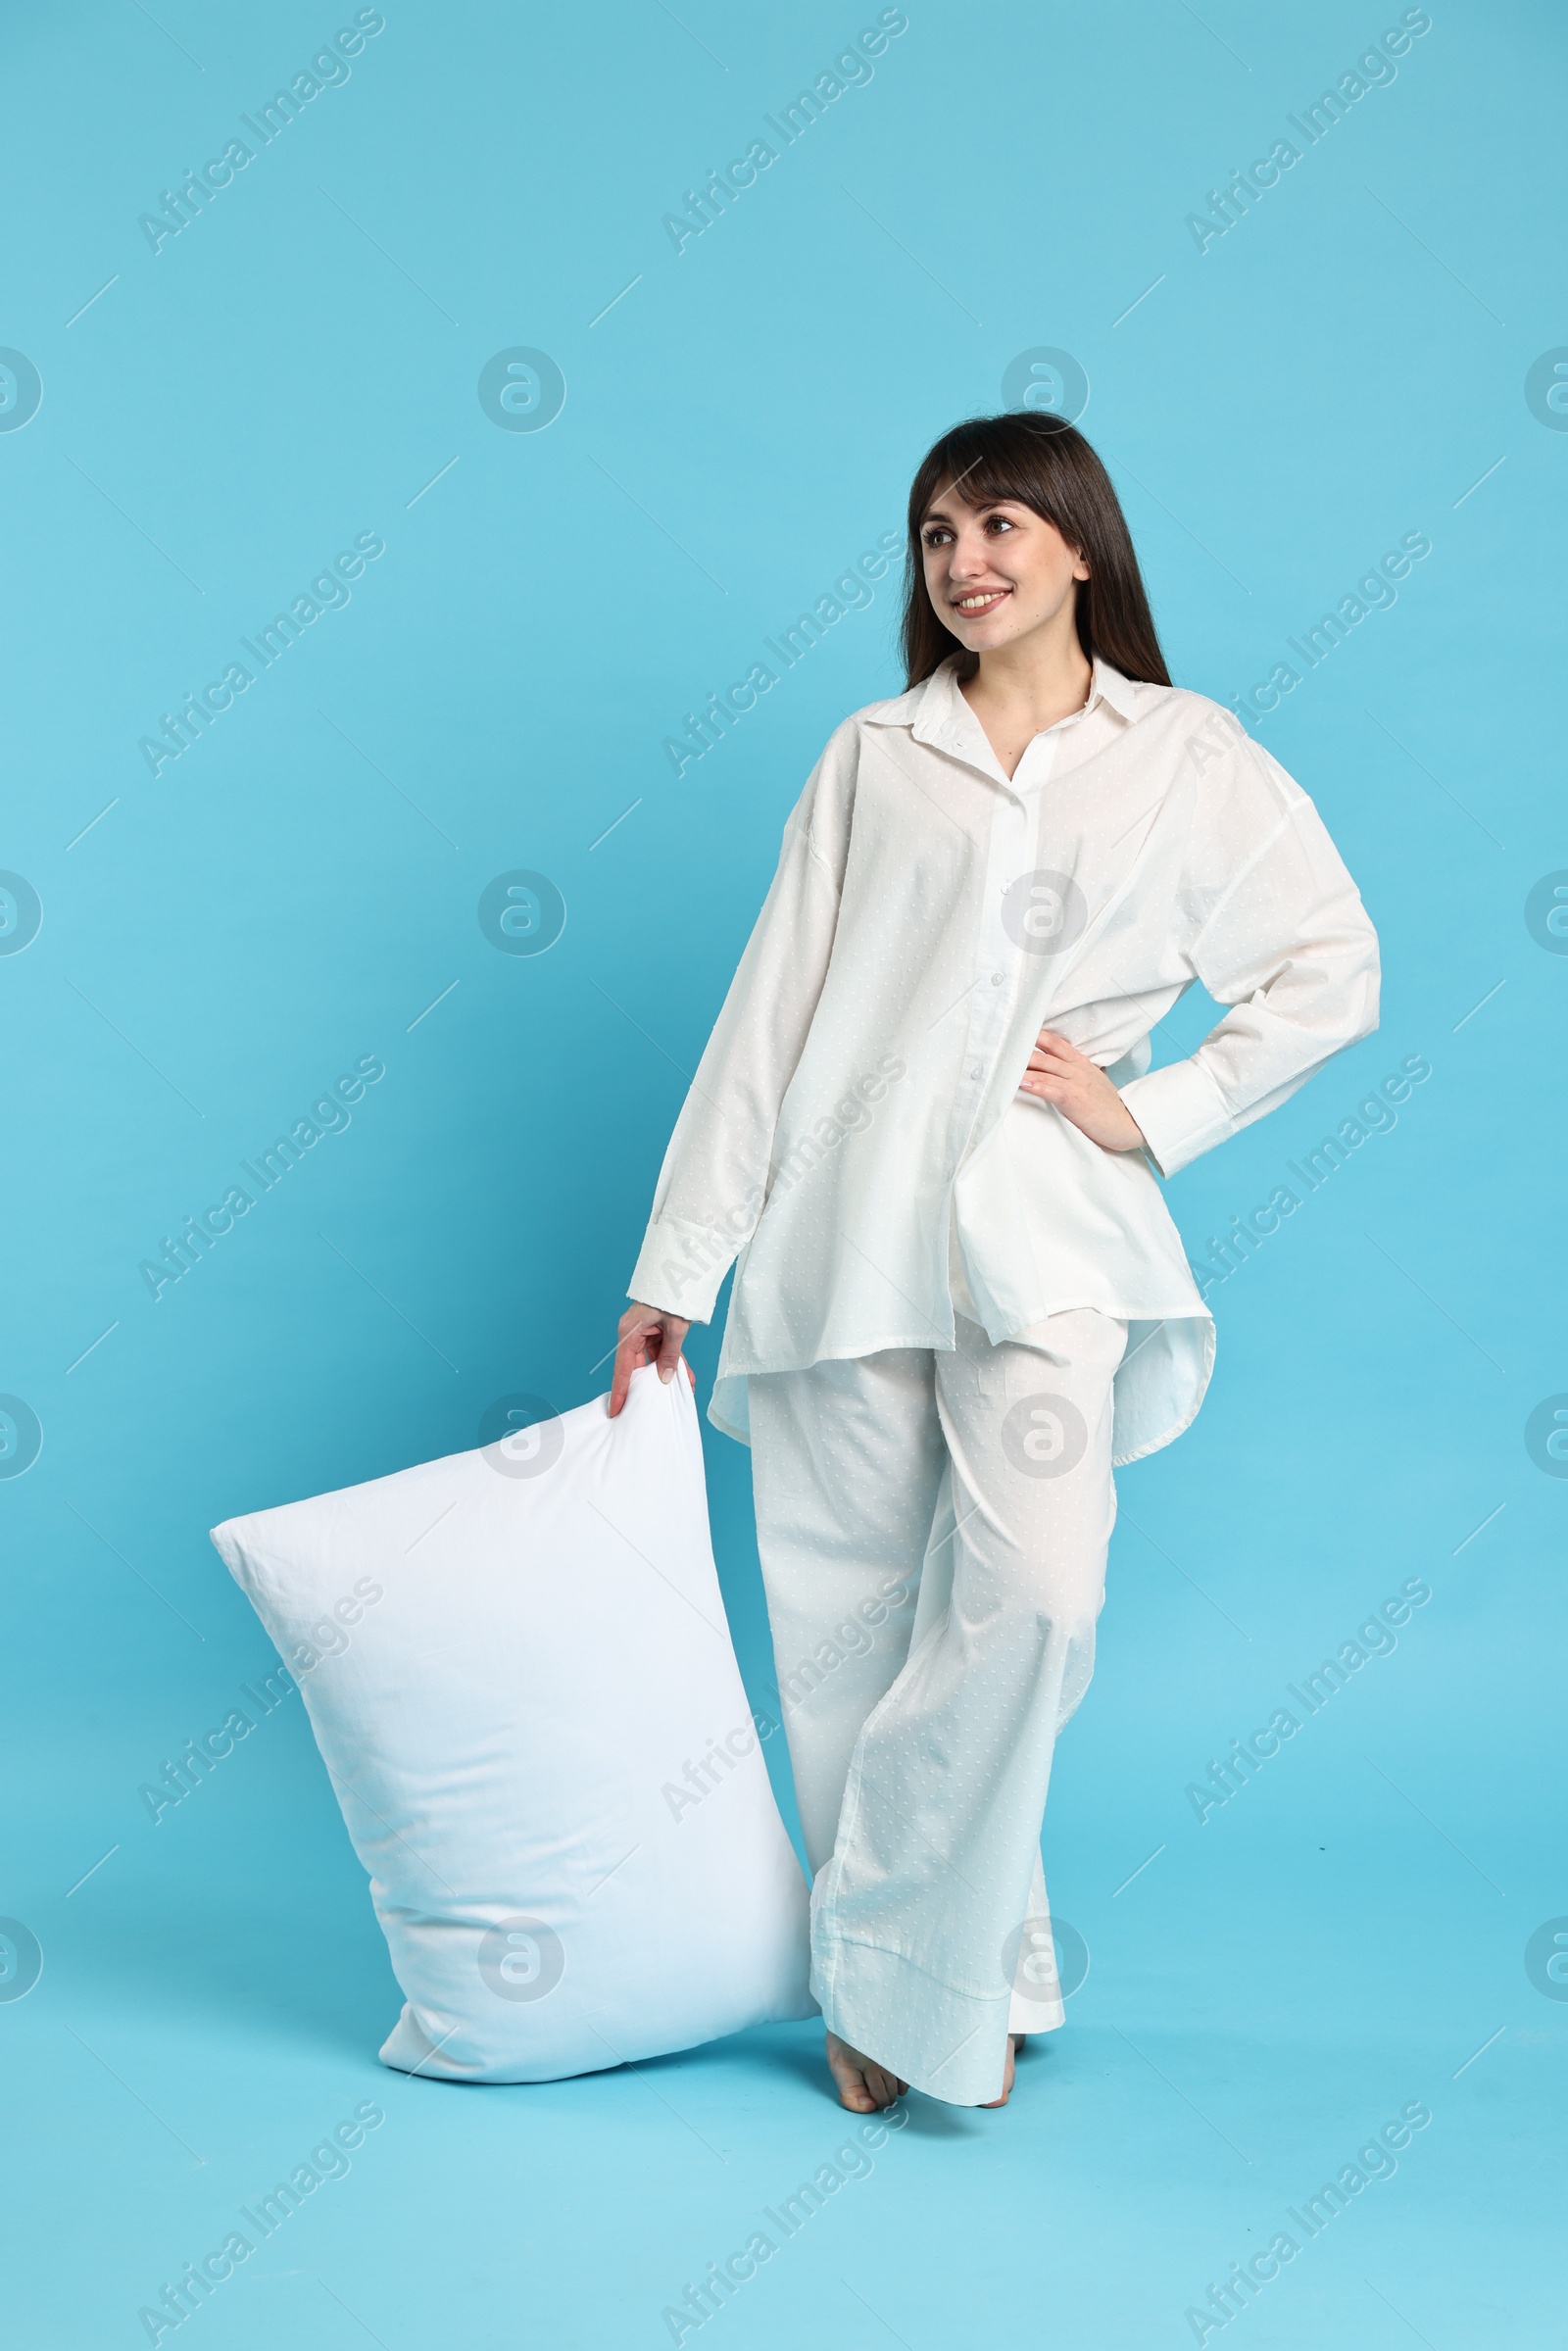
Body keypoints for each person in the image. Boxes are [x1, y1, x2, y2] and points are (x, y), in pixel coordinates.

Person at [608, 411, 1380, 2114]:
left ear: (1084, 547)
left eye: (1002, 527)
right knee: (848, 1636)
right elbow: (770, 1017)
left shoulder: (1189, 754)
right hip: (835, 1232)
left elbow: (1331, 965)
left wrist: (1155, 1109)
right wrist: (683, 1262)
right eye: (938, 536)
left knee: (1033, 1599)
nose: (965, 563)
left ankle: (884, 1956)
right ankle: (952, 1978)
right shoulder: (875, 756)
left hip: (1049, 1237)